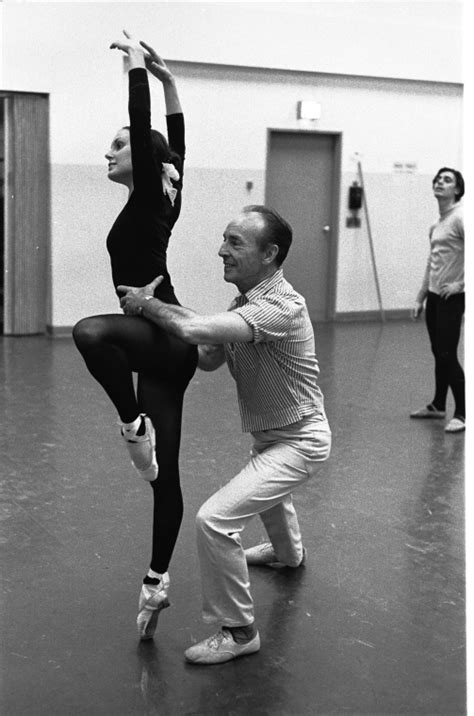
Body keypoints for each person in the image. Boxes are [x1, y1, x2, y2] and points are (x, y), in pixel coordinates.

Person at [119, 205, 332, 664]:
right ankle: (287, 554)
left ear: (270, 253)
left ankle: (238, 631)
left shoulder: (282, 307)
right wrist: (159, 329)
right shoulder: (245, 305)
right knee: (268, 488)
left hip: (299, 442)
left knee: (214, 520)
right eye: (225, 239)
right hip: (274, 439)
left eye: (235, 242)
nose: (222, 250)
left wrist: (148, 305)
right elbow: (210, 355)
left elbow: (195, 330)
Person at [72, 31, 198, 640]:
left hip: (163, 334)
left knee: (92, 333)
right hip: (169, 349)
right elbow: (174, 142)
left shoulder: (152, 190)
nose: (108, 152)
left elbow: (149, 129)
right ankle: (157, 584)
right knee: (165, 478)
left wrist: (136, 69)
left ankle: (131, 424)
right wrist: (171, 83)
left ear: (144, 158)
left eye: (119, 145)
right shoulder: (162, 197)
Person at [410, 167, 465, 433]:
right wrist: (421, 296)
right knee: (438, 353)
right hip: (434, 297)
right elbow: (432, 262)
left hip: (452, 299)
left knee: (447, 354)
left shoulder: (461, 218)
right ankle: (438, 405)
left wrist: (461, 284)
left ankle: (464, 413)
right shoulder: (437, 224)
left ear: (456, 189)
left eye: (447, 180)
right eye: (438, 179)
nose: (440, 183)